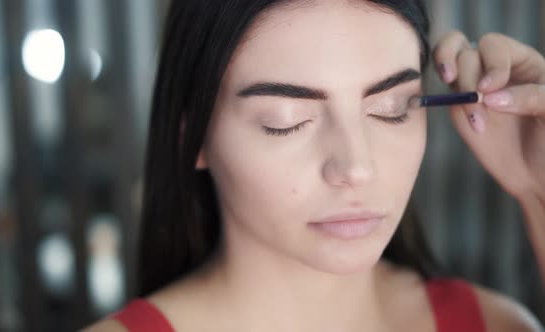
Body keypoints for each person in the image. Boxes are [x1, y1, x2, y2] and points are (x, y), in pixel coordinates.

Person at [84, 0, 545, 331]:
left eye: (392, 108)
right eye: (286, 122)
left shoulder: (492, 325)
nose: (356, 167)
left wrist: (536, 192)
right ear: (194, 137)